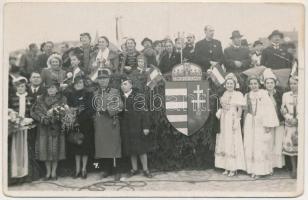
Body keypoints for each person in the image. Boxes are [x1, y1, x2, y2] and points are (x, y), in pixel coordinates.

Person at [243, 75, 280, 179]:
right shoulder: (247, 95)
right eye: (251, 84)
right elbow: (245, 111)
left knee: (261, 146)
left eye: (255, 83)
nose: (253, 85)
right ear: (249, 85)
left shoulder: (263, 94)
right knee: (250, 145)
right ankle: (251, 169)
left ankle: (262, 170)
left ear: (259, 84)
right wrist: (244, 125)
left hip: (261, 122)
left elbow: (270, 109)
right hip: (250, 122)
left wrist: (268, 125)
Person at [30, 80, 67, 180]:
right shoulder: (40, 99)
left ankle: (54, 172)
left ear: (57, 89)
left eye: (53, 87)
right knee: (45, 151)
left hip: (56, 128)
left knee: (55, 150)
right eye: (49, 88)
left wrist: (55, 118)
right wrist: (42, 118)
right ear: (46, 89)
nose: (51, 90)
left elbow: (65, 113)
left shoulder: (62, 99)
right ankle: (48, 173)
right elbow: (33, 111)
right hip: (43, 129)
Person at [92, 69, 123, 181]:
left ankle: (117, 171)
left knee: (114, 147)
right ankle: (105, 170)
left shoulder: (114, 91)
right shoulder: (95, 92)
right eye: (100, 79)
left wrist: (108, 110)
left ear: (109, 79)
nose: (102, 81)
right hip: (100, 124)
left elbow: (120, 105)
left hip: (111, 122)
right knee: (102, 147)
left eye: (105, 78)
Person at [119, 76, 153, 178]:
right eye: (121, 84)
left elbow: (144, 112)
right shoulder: (120, 97)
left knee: (141, 149)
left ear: (131, 85)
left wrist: (146, 127)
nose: (123, 86)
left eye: (125, 84)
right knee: (130, 149)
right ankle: (134, 169)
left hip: (137, 126)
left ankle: (146, 169)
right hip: (126, 127)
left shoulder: (138, 96)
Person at [215, 73, 246, 177]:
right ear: (225, 84)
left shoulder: (238, 94)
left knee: (232, 141)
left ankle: (233, 168)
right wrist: (220, 111)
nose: (229, 85)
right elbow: (223, 106)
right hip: (224, 119)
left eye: (231, 83)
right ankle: (226, 167)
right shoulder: (224, 94)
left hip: (232, 118)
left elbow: (240, 109)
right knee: (225, 140)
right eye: (227, 83)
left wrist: (237, 121)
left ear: (235, 84)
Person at [66, 76, 95, 179]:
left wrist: (81, 118)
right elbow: (68, 108)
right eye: (77, 83)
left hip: (86, 124)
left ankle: (84, 169)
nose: (79, 85)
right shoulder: (70, 95)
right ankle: (77, 169)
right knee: (76, 146)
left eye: (81, 83)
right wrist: (73, 117)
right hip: (74, 124)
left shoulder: (89, 94)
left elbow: (91, 109)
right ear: (74, 85)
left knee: (85, 147)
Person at [8, 78, 36, 185]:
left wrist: (30, 119)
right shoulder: (12, 98)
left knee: (26, 150)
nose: (20, 88)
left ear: (25, 87)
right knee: (14, 150)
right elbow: (8, 111)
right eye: (19, 86)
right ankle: (15, 175)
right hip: (14, 128)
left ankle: (27, 175)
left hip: (27, 127)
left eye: (23, 86)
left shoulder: (30, 97)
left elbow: (33, 111)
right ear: (16, 87)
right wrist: (13, 118)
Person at [262, 68, 285, 171]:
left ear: (275, 83)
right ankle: (269, 165)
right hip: (268, 122)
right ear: (265, 84)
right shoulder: (263, 95)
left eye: (271, 82)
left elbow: (283, 107)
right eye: (267, 83)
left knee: (278, 142)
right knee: (269, 143)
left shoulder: (279, 94)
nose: (270, 84)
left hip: (279, 121)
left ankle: (278, 164)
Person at [281, 75, 298, 178]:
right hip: (289, 123)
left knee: (300, 146)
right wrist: (288, 118)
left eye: (295, 84)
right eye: (291, 84)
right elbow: (283, 109)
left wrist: (298, 120)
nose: (292, 86)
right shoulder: (286, 95)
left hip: (301, 124)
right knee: (291, 147)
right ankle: (294, 169)